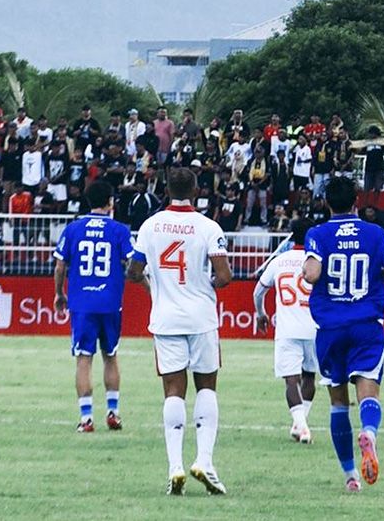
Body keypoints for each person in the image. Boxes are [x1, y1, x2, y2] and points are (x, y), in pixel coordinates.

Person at [126, 168, 233, 496]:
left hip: (166, 317)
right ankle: (204, 461)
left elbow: (133, 271)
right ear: (197, 190)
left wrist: (155, 289)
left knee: (173, 389)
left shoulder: (151, 225)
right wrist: (205, 284)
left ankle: (175, 467)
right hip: (201, 317)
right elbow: (224, 276)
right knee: (207, 386)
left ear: (166, 190)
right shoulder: (208, 227)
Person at [302, 176, 384, 492]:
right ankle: (369, 432)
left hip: (331, 328)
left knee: (338, 402)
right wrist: (375, 270)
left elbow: (312, 274)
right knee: (368, 391)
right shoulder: (375, 232)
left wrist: (305, 271)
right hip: (365, 325)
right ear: (356, 202)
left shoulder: (318, 233)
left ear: (326, 203)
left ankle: (350, 476)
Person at [52, 181, 136, 434]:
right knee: (110, 356)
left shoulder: (73, 229)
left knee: (83, 359)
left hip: (82, 304)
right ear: (110, 202)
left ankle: (86, 418)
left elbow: (60, 266)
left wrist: (59, 293)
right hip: (110, 302)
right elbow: (133, 264)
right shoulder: (120, 230)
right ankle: (113, 412)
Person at [254, 219, 319, 445]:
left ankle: (301, 425)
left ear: (291, 236)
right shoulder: (318, 261)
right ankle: (301, 424)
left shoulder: (279, 261)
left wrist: (261, 313)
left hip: (287, 329)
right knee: (309, 376)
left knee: (291, 381)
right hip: (315, 328)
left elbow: (258, 292)